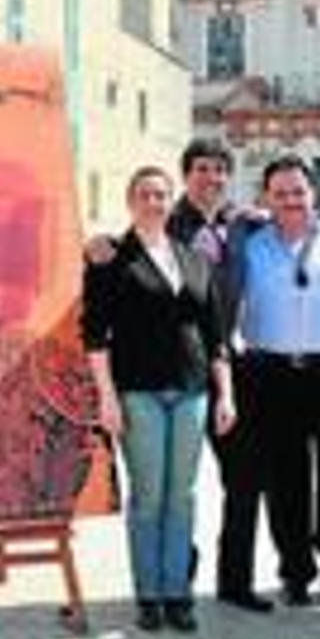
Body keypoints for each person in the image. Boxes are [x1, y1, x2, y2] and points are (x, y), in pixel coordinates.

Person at [86, 140, 271, 612]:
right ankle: (151, 593)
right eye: (144, 195)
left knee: (188, 495)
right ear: (131, 202)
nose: (153, 202)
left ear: (171, 202)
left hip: (195, 389)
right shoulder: (114, 258)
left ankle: (186, 592)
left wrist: (225, 394)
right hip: (140, 391)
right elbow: (94, 334)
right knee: (149, 496)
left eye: (160, 195)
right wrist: (106, 397)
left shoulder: (201, 254)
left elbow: (215, 335)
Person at [237, 155, 320, 607]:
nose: (291, 200)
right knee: (284, 481)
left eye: (298, 191)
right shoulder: (249, 246)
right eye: (280, 193)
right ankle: (295, 571)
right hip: (272, 374)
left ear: (314, 194)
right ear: (266, 198)